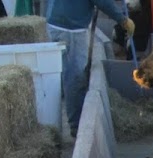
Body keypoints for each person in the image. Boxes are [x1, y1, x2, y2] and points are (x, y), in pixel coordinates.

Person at [45, 0, 135, 137]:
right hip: (71, 27)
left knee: (65, 73)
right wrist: (122, 19)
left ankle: (66, 120)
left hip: (56, 21)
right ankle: (77, 126)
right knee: (75, 78)